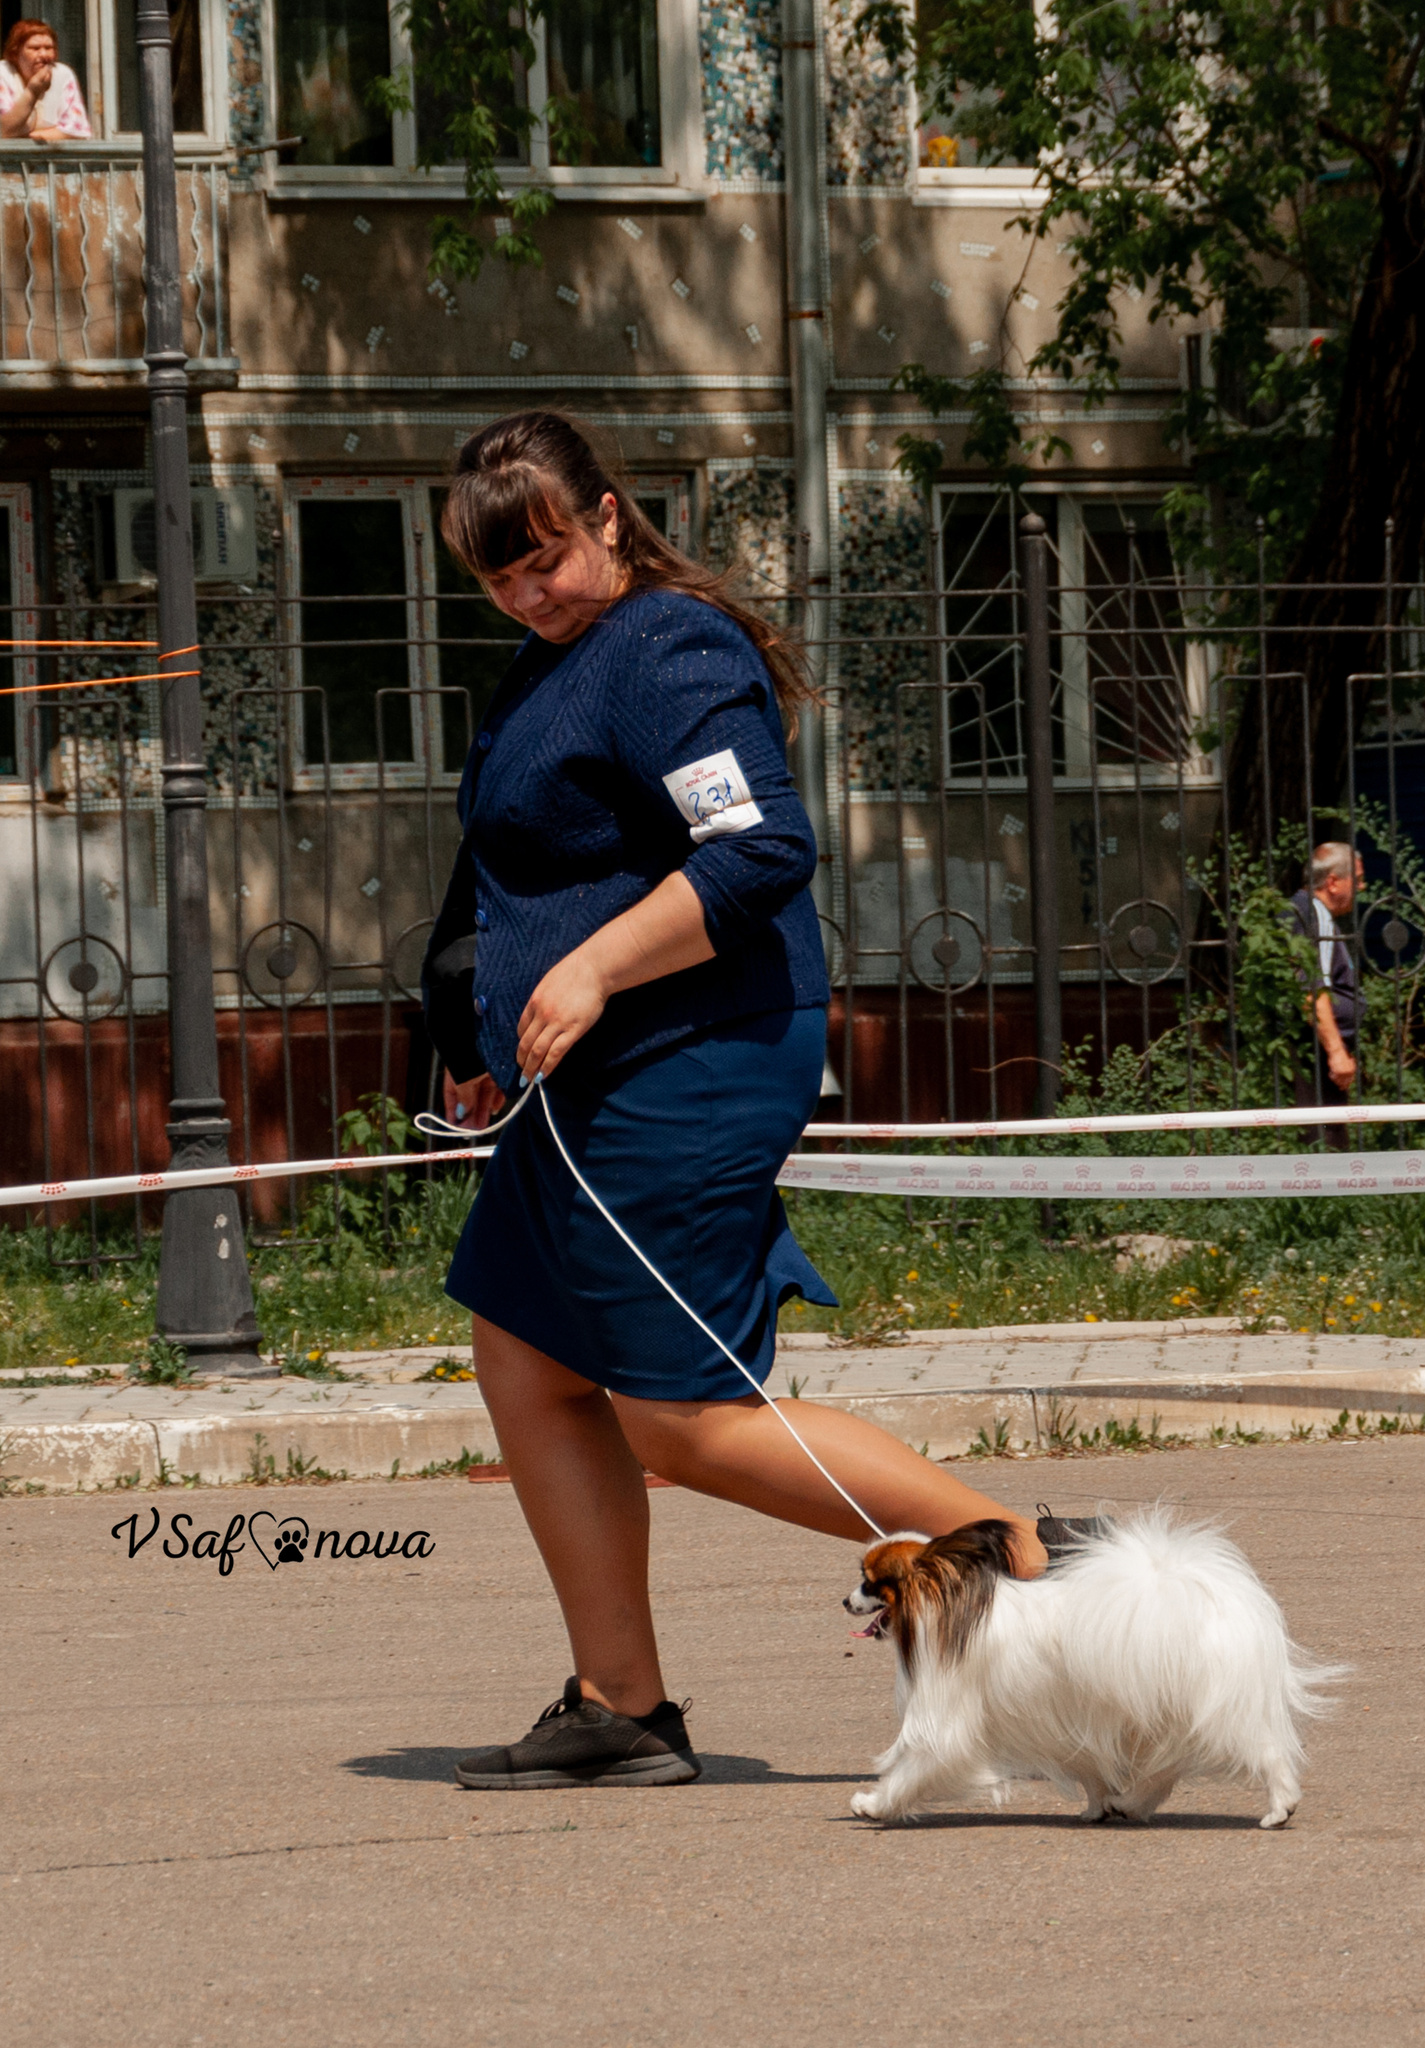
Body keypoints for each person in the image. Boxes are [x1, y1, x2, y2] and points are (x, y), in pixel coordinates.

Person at [421, 411, 1061, 1792]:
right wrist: (472, 1027)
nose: (527, 594)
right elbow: (516, 872)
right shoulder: (550, 663)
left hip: (690, 1056)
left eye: (544, 559)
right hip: (580, 1075)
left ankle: (1031, 1553)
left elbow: (760, 846)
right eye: (497, 578)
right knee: (524, 1353)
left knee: (681, 1417)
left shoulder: (666, 644)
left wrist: (592, 969)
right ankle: (622, 1706)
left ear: (607, 517)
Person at [1287, 842, 1363, 1146]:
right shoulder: (1312, 916)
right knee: (1323, 1144)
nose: (1362, 887)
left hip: (1315, 1053)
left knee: (1327, 1140)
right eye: (1357, 879)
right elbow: (1312, 991)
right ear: (1333, 882)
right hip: (1313, 1056)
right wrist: (1336, 1052)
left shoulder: (1311, 913)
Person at [0, 20, 92, 142]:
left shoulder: (63, 74)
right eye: (35, 48)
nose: (43, 54)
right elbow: (3, 131)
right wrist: (32, 92)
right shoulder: (1, 72)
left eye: (48, 48)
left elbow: (75, 131)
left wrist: (27, 137)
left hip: (50, 154)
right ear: (15, 53)